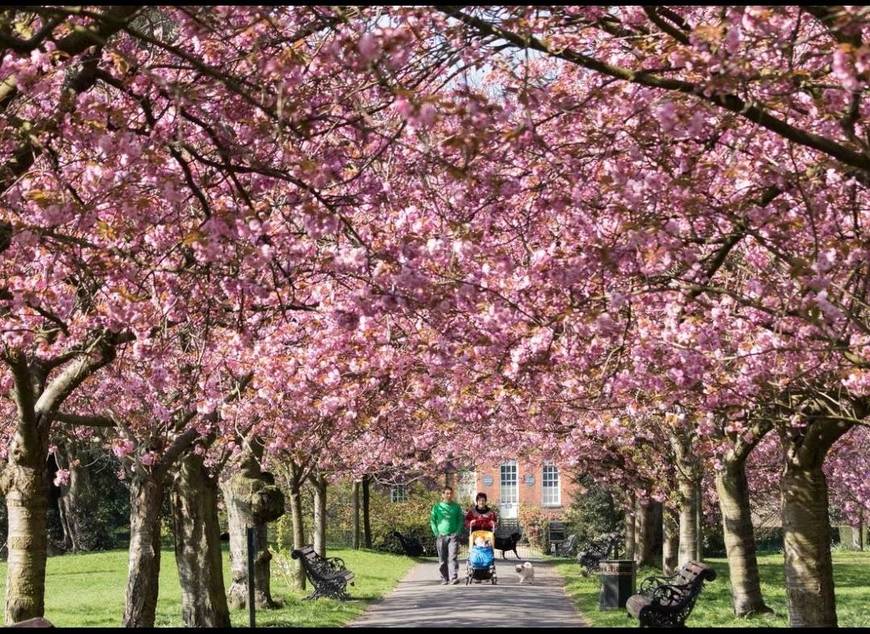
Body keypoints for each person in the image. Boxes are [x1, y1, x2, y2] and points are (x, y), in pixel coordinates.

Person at [430, 485, 463, 585]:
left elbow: (460, 520)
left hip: (453, 536)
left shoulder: (456, 507)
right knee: (442, 559)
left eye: (450, 493)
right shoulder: (437, 507)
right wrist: (436, 533)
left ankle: (453, 578)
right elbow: (432, 521)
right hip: (441, 536)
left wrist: (457, 532)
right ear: (442, 495)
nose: (449, 495)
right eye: (447, 493)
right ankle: (444, 578)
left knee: (452, 557)